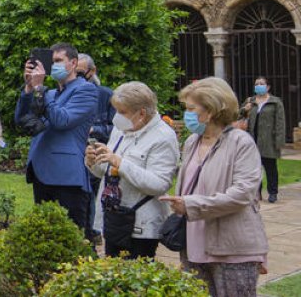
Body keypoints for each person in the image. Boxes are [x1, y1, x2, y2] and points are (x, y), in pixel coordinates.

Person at [161, 77, 268, 296]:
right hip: (192, 244)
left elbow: (242, 194)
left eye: (191, 108)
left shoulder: (241, 142)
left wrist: (191, 204)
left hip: (232, 247)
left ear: (210, 111)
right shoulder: (192, 141)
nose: (187, 114)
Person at [85, 81, 178, 259]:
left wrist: (120, 163)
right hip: (114, 218)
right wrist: (93, 161)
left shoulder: (163, 137)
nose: (117, 117)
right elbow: (106, 171)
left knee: (135, 277)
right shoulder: (121, 130)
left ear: (141, 113)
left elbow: (159, 184)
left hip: (140, 225)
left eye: (122, 112)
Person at [15, 42, 98, 233]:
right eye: (51, 62)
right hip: (41, 171)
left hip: (67, 177)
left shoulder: (85, 90)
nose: (53, 66)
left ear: (73, 63)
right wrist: (29, 89)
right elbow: (22, 120)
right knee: (46, 235)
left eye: (58, 60)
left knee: (71, 235)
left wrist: (40, 89)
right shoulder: (50, 93)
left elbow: (62, 120)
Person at [78, 52, 114, 240]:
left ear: (92, 72)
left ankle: (93, 233)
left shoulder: (106, 95)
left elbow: (116, 128)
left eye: (81, 72)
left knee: (94, 194)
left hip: (98, 154)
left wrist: (94, 129)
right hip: (76, 153)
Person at [240, 77, 286, 203]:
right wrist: (245, 109)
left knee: (270, 167)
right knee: (254, 169)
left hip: (268, 140)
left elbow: (280, 122)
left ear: (268, 87)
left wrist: (279, 141)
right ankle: (257, 192)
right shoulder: (250, 101)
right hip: (251, 140)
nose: (258, 86)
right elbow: (239, 115)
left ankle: (273, 192)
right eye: (256, 84)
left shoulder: (275, 102)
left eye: (262, 84)